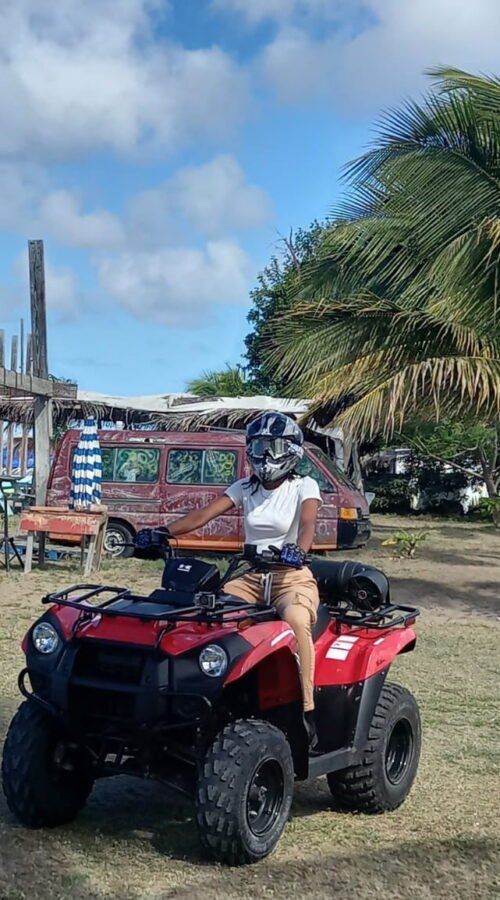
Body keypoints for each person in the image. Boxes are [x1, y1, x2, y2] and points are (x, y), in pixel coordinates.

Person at [167, 411, 321, 744]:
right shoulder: (245, 487)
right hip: (251, 577)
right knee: (208, 613)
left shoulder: (304, 486)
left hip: (291, 577)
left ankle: (307, 709)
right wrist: (161, 533)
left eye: (274, 446)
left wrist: (298, 550)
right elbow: (204, 514)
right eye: (260, 445)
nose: (266, 454)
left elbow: (308, 523)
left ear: (291, 451)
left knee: (296, 620)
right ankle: (207, 693)